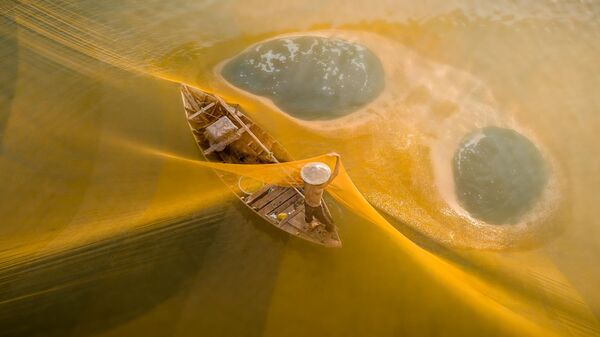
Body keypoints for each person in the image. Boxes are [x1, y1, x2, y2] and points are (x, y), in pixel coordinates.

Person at [301, 154, 340, 232]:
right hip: (311, 205)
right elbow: (335, 173)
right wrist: (338, 157)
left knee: (314, 217)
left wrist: (338, 158)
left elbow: (335, 173)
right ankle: (312, 225)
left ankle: (313, 225)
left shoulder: (306, 180)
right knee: (312, 218)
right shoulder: (318, 185)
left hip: (310, 204)